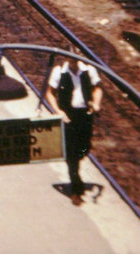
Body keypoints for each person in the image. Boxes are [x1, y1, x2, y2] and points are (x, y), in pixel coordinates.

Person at [44, 53, 103, 205]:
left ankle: (76, 177)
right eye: (70, 57)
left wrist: (96, 103)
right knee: (71, 154)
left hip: (85, 115)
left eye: (76, 57)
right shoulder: (59, 71)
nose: (74, 60)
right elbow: (50, 93)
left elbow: (97, 89)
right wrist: (58, 111)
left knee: (84, 148)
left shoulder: (89, 70)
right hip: (68, 116)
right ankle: (76, 189)